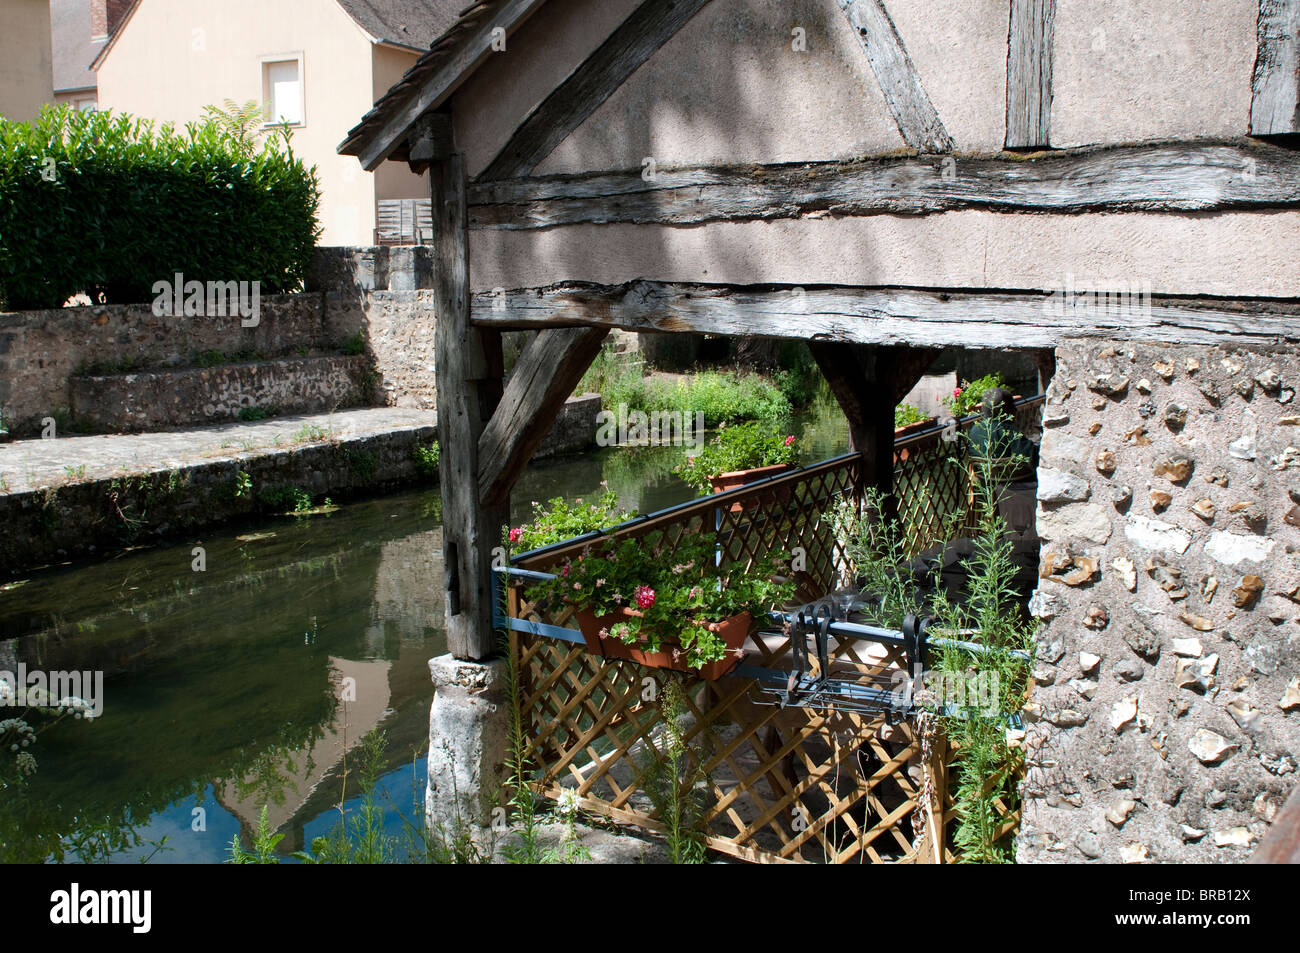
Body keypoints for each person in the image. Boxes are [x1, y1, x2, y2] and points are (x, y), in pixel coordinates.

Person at [968, 386, 1037, 470]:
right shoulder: (1006, 429)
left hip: (983, 480)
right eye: (1012, 406)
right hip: (1013, 480)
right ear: (1005, 410)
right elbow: (1032, 455)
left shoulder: (974, 430)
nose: (1015, 409)